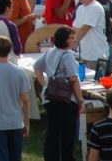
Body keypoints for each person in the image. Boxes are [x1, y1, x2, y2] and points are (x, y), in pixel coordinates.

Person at [34, 26, 84, 161]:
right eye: (71, 38)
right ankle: (67, 157)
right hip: (65, 98)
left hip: (50, 95)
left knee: (53, 130)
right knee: (67, 132)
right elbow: (74, 80)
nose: (74, 40)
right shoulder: (67, 56)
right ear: (64, 40)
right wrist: (80, 100)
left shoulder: (50, 52)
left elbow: (36, 66)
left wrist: (45, 83)